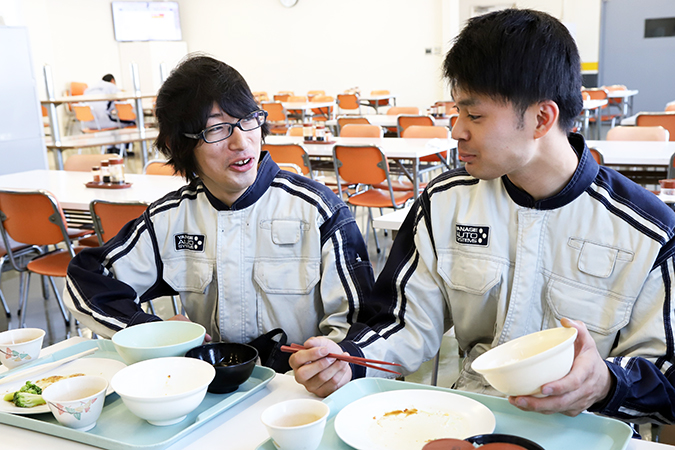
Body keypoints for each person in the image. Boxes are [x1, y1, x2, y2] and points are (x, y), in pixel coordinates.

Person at [289, 8, 675, 425]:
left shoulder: (648, 231)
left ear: (542, 118)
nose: (456, 130)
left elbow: (668, 380)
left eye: (474, 115)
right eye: (457, 112)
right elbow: (403, 320)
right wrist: (351, 360)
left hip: (584, 427)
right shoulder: (444, 203)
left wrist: (606, 383)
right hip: (471, 418)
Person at [64, 55, 374, 372]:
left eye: (249, 119)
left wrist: (336, 365)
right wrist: (153, 334)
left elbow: (362, 323)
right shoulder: (171, 218)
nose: (242, 142)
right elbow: (87, 278)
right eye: (218, 129)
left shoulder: (318, 211)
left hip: (297, 396)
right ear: (178, 144)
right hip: (209, 395)